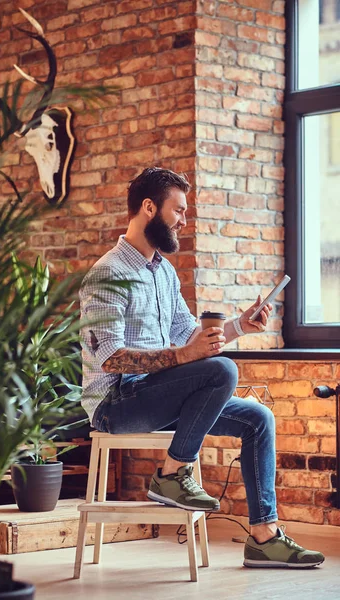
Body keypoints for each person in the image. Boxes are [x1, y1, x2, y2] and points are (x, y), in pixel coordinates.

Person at [79, 167, 324, 569]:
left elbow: (191, 335)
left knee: (258, 418)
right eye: (178, 210)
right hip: (116, 403)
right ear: (148, 207)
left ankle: (264, 537)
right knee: (222, 372)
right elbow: (111, 357)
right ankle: (172, 476)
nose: (184, 220)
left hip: (156, 393)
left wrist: (240, 327)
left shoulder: (163, 272)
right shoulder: (108, 273)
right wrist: (182, 356)